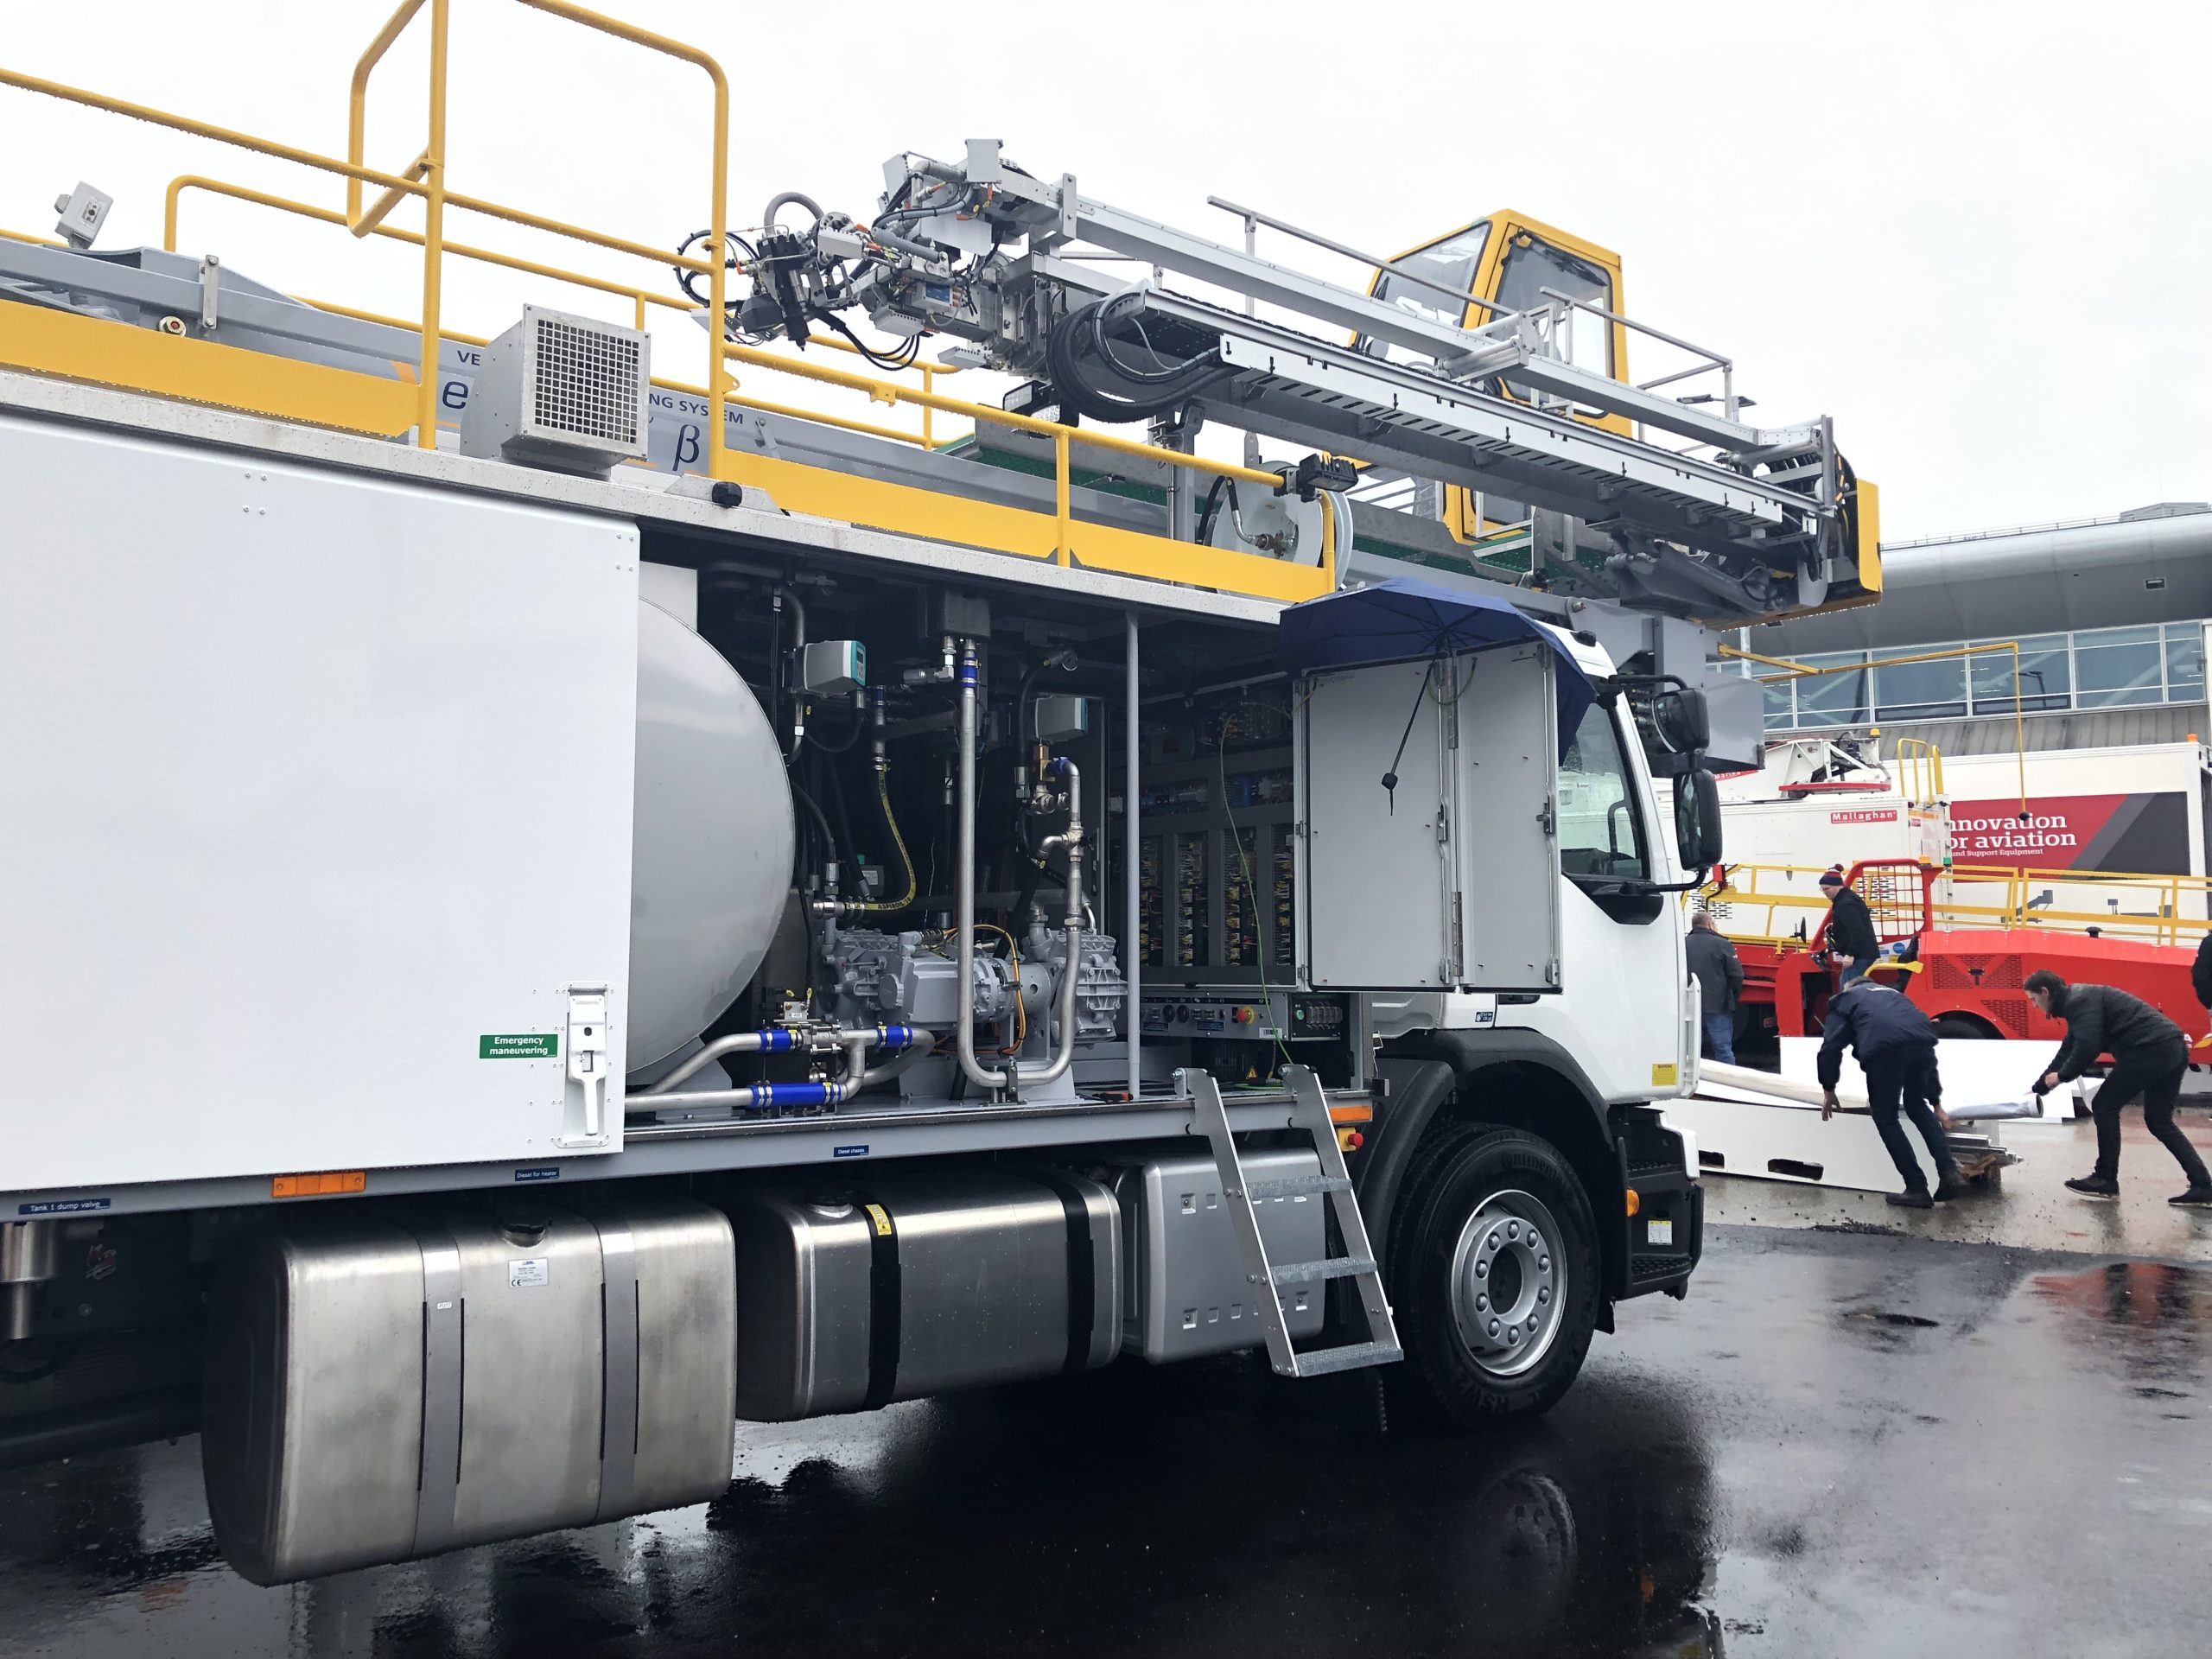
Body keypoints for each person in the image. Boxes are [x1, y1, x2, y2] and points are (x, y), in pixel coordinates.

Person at [2024, 969, 2212, 1207]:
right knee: (2159, 1120)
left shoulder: (2079, 1001)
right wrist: (2040, 1086)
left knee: (2104, 1105)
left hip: (2150, 1050)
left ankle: (2105, 1179)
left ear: (2045, 992)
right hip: (2172, 1049)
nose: (2034, 1006)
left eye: (2033, 999)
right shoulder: (2079, 1001)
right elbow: (2068, 1048)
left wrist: (2062, 1077)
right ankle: (2202, 1186)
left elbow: (2087, 1047)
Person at [1817, 976, 1966, 1207]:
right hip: (1922, 1045)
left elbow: (1831, 1046)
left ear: (1851, 987)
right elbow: (1927, 1055)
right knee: (1917, 1106)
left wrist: (1828, 1088)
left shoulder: (1845, 999)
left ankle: (1916, 1187)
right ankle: (1950, 1172)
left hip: (1885, 1051)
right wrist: (1935, 1102)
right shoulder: (1896, 997)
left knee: (1886, 1116)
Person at [1687, 911, 1744, 1064]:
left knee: (1689, 1050)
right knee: (1723, 1051)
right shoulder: (1722, 944)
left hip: (1689, 1006)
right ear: (1710, 924)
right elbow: (1737, 975)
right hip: (1718, 1007)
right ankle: (1728, 1084)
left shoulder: (1683, 944)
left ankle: (1691, 1084)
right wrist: (1732, 998)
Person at [1819, 867, 1879, 985]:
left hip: (1859, 955)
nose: (1825, 892)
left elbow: (1857, 930)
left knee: (1848, 987)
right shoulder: (1847, 898)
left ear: (1838, 886)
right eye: (1822, 890)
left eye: (1827, 888)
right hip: (1864, 953)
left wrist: (1850, 954)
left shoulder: (1845, 904)